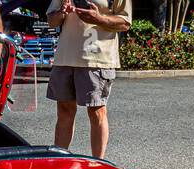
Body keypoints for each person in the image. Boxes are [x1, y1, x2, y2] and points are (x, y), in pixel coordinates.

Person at [46, 0, 131, 159]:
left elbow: (125, 23)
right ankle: (60, 162)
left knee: (96, 111)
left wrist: (99, 18)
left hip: (96, 58)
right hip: (65, 57)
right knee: (64, 111)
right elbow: (51, 22)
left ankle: (98, 165)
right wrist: (62, 12)